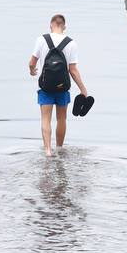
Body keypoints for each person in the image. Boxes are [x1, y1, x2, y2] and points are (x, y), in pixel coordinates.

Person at [29, 14, 90, 157]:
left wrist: (32, 71)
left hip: (45, 87)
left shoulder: (42, 40)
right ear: (64, 27)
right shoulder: (71, 43)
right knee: (61, 118)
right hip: (63, 88)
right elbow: (73, 71)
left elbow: (32, 62)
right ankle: (59, 148)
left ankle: (48, 151)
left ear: (51, 25)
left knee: (45, 119)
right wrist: (83, 89)